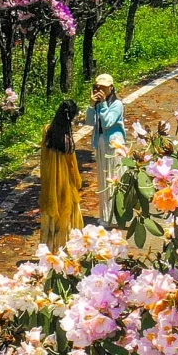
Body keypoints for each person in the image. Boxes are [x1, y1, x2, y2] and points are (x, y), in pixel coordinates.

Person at [39, 98, 83, 250]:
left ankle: (49, 247)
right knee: (66, 211)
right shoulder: (67, 139)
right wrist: (77, 181)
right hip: (64, 183)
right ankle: (64, 248)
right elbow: (72, 165)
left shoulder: (47, 131)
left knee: (50, 213)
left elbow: (44, 156)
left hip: (50, 180)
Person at [86, 73, 125, 227]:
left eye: (103, 87)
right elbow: (90, 122)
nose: (100, 90)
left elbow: (108, 122)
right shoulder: (97, 104)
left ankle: (115, 217)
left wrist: (102, 104)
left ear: (111, 87)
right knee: (103, 180)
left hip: (114, 144)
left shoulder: (117, 104)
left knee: (113, 179)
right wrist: (91, 105)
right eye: (97, 87)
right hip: (101, 143)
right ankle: (106, 215)